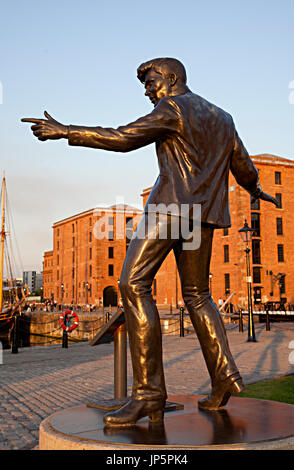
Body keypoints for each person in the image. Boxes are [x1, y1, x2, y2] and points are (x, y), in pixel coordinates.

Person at [22, 57, 278, 426]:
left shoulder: (172, 107)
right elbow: (243, 165)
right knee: (198, 294)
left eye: (150, 81)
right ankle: (224, 376)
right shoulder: (223, 117)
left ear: (171, 79)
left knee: (132, 284)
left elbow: (123, 138)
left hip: (171, 209)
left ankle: (148, 395)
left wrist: (65, 131)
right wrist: (256, 189)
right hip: (201, 217)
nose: (146, 90)